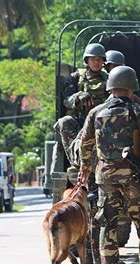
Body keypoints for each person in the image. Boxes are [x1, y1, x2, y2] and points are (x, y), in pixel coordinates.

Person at [78, 66, 140, 264]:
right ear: (131, 87)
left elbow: (85, 145)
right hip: (132, 177)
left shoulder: (96, 112)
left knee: (108, 222)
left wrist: (85, 169)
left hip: (105, 177)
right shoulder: (138, 111)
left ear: (110, 87)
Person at [54, 43, 109, 171]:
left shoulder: (109, 79)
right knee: (64, 122)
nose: (96, 62)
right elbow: (66, 100)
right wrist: (78, 96)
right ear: (86, 60)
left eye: (99, 59)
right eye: (93, 59)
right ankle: (76, 162)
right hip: (80, 122)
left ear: (103, 61)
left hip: (101, 123)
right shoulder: (76, 77)